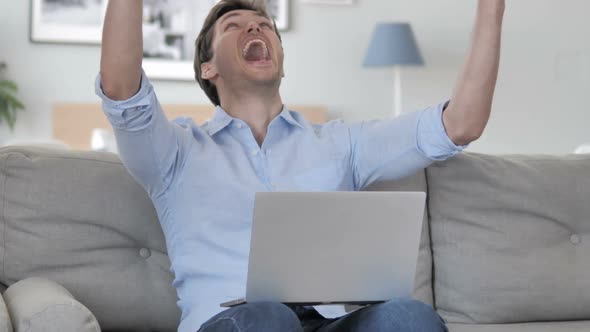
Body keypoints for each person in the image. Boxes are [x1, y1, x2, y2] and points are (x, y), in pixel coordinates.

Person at [97, 0, 505, 331]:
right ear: (209, 69)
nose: (256, 29)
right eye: (234, 26)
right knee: (267, 315)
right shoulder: (175, 152)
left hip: (328, 324)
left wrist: (491, 7)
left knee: (408, 316)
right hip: (239, 323)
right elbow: (121, 91)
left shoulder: (340, 143)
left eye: (264, 24)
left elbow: (460, 124)